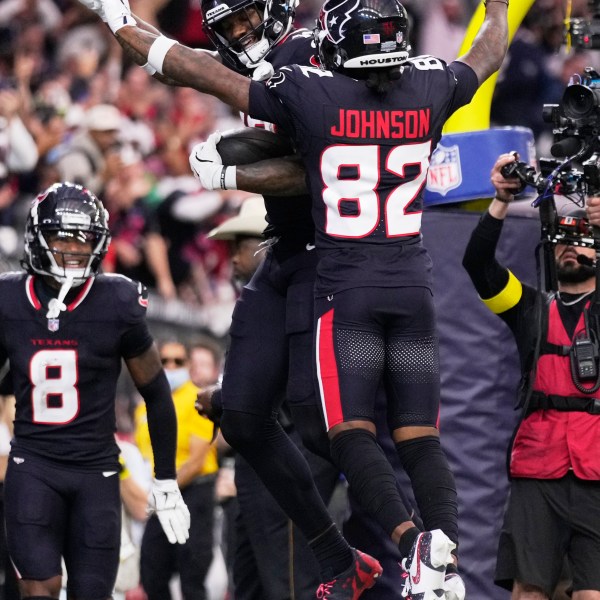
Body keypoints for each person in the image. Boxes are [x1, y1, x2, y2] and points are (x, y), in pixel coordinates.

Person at [90, 0, 508, 595]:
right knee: (244, 415)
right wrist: (118, 17)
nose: (241, 33)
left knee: (330, 430)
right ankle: (375, 556)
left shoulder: (310, 73)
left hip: (335, 261)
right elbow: (186, 62)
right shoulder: (420, 82)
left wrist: (234, 176)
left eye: (247, 19)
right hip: (347, 260)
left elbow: (307, 159)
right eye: (227, 26)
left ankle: (408, 547)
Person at [0, 181, 190, 600]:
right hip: (34, 464)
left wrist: (165, 479)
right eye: (61, 236)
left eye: (82, 240)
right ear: (38, 237)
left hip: (97, 471)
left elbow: (156, 393)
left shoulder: (116, 301)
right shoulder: (10, 298)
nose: (71, 249)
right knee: (39, 587)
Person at [462, 154, 600, 600]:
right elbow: (478, 265)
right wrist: (501, 200)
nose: (572, 248)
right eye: (564, 240)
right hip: (537, 469)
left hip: (596, 469)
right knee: (528, 591)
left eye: (584, 240)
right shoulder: (529, 308)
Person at [134, 339, 218, 600]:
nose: (170, 366)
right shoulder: (143, 406)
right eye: (165, 360)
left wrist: (163, 487)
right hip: (162, 491)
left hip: (193, 491)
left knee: (192, 575)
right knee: (151, 570)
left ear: (188, 365)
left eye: (178, 361)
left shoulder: (197, 400)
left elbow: (196, 460)